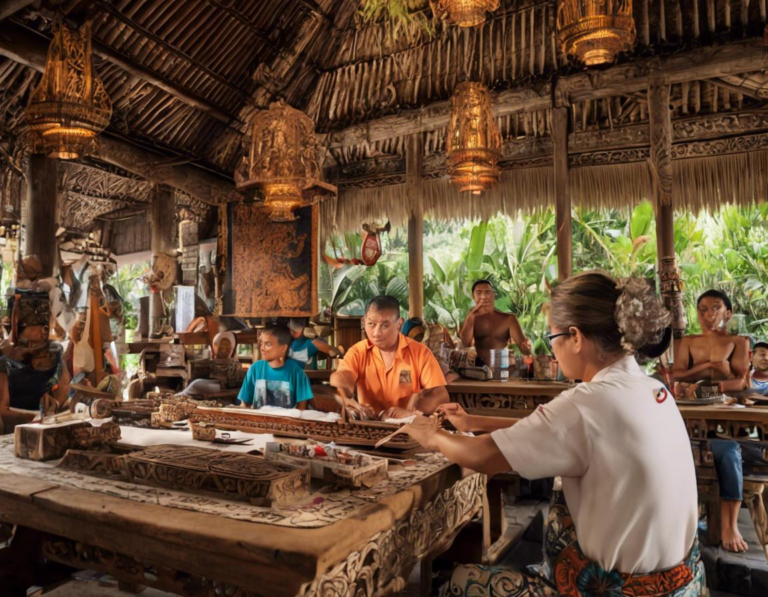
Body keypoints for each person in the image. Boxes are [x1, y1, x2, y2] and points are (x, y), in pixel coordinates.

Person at [402, 272, 703, 596]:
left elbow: (483, 457)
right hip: (684, 585)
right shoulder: (652, 389)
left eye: (552, 337)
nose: (554, 349)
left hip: (615, 590)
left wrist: (429, 433)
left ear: (575, 337)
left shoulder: (586, 403)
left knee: (459, 582)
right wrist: (474, 422)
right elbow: (561, 434)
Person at [673, 289, 751, 552]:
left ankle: (730, 525)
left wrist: (701, 386)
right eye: (703, 309)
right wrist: (715, 370)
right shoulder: (687, 342)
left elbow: (740, 382)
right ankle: (676, 521)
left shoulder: (739, 342)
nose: (708, 315)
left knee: (728, 451)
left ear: (727, 313)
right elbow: (676, 379)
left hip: (724, 420)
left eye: (715, 308)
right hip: (688, 419)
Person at [330, 295, 449, 420]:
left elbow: (440, 395)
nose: (376, 333)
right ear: (364, 321)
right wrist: (352, 404)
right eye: (371, 324)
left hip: (407, 425)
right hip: (370, 424)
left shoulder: (420, 352)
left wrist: (413, 409)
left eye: (384, 326)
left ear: (399, 324)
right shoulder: (357, 352)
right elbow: (340, 387)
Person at [0, 290, 70, 433]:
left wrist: (55, 402)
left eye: (46, 325)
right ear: (20, 327)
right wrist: (32, 418)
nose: (45, 330)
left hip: (46, 426)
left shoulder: (54, 354)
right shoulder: (5, 362)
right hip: (15, 430)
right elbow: (2, 409)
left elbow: (64, 385)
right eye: (38, 324)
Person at [236, 323, 313, 410]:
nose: (262, 348)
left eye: (268, 344)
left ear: (283, 348)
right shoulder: (255, 369)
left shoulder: (297, 373)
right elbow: (244, 404)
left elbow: (301, 410)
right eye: (261, 343)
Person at [459, 279, 531, 365]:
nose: (483, 297)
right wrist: (472, 314)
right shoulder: (471, 318)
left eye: (488, 292)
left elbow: (525, 350)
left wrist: (529, 347)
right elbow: (464, 344)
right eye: (479, 293)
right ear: (473, 296)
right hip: (479, 369)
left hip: (503, 368)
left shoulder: (509, 319)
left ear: (493, 295)